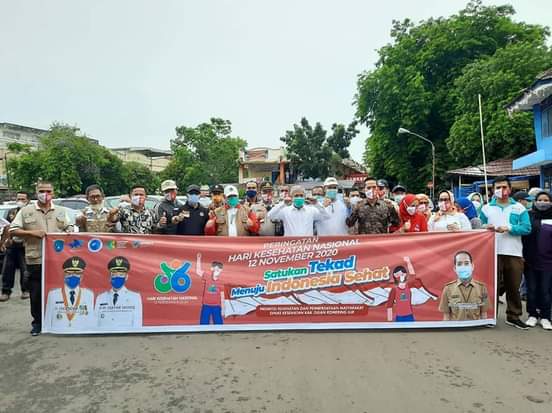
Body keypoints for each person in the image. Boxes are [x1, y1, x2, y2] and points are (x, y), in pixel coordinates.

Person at [10, 181, 73, 336]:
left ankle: (59, 321)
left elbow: (70, 228)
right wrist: (31, 233)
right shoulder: (26, 211)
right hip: (35, 259)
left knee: (58, 291)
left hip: (58, 260)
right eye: (42, 191)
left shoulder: (61, 211)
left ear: (53, 193)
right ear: (36, 193)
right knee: (36, 293)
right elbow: (13, 230)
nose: (45, 194)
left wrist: (68, 232)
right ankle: (38, 323)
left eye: (48, 191)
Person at [480, 176, 531, 329]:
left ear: (510, 189)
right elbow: (478, 225)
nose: (501, 190)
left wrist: (509, 228)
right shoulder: (486, 208)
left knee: (513, 286)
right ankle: (490, 316)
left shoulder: (519, 208)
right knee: (491, 286)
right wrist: (485, 227)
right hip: (491, 252)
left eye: (504, 187)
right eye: (498, 187)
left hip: (513, 252)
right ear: (493, 190)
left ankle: (513, 316)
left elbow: (527, 228)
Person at [522, 191, 552, 330]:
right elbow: (523, 235)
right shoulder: (529, 216)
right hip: (531, 260)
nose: (542, 202)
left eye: (546, 200)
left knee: (546, 290)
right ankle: (532, 315)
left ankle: (546, 317)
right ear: (535, 202)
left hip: (548, 262)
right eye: (540, 200)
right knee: (532, 289)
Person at [44, 256, 95, 331]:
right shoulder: (53, 294)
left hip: (81, 331)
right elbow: (48, 319)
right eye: (69, 273)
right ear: (64, 275)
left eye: (77, 273)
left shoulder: (89, 294)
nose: (73, 276)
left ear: (81, 277)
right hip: (59, 331)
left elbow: (91, 319)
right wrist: (46, 329)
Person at [95, 256, 143, 330]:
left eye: (121, 275)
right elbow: (95, 324)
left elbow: (137, 325)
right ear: (110, 277)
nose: (117, 277)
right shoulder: (100, 298)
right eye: (114, 274)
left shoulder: (135, 298)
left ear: (126, 277)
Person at [439, 251, 489, 321]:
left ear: (472, 266)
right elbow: (446, 316)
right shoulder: (448, 289)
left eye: (466, 263)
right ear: (455, 268)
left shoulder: (482, 288)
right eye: (459, 264)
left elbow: (484, 314)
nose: (463, 267)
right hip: (456, 327)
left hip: (476, 327)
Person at [386, 256, 438, 322]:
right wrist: (389, 321)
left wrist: (408, 262)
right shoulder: (394, 289)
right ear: (394, 275)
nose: (400, 276)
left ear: (405, 274)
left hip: (409, 316)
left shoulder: (408, 285)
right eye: (398, 275)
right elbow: (389, 305)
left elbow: (412, 275)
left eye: (402, 274)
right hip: (399, 317)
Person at [0, 191, 30, 301]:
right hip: (12, 245)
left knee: (25, 269)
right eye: (18, 199)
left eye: (23, 199)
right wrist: (5, 241)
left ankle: (26, 290)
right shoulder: (12, 212)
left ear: (28, 201)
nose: (20, 201)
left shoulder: (30, 212)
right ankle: (5, 291)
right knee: (7, 269)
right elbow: (6, 226)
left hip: (25, 245)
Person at [196, 253, 225, 325]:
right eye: (215, 268)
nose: (217, 270)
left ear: (221, 270)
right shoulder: (207, 276)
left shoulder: (221, 282)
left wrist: (223, 309)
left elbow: (222, 297)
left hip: (217, 306)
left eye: (219, 269)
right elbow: (198, 271)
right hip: (206, 306)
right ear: (211, 269)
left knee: (219, 325)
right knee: (204, 324)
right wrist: (198, 259)